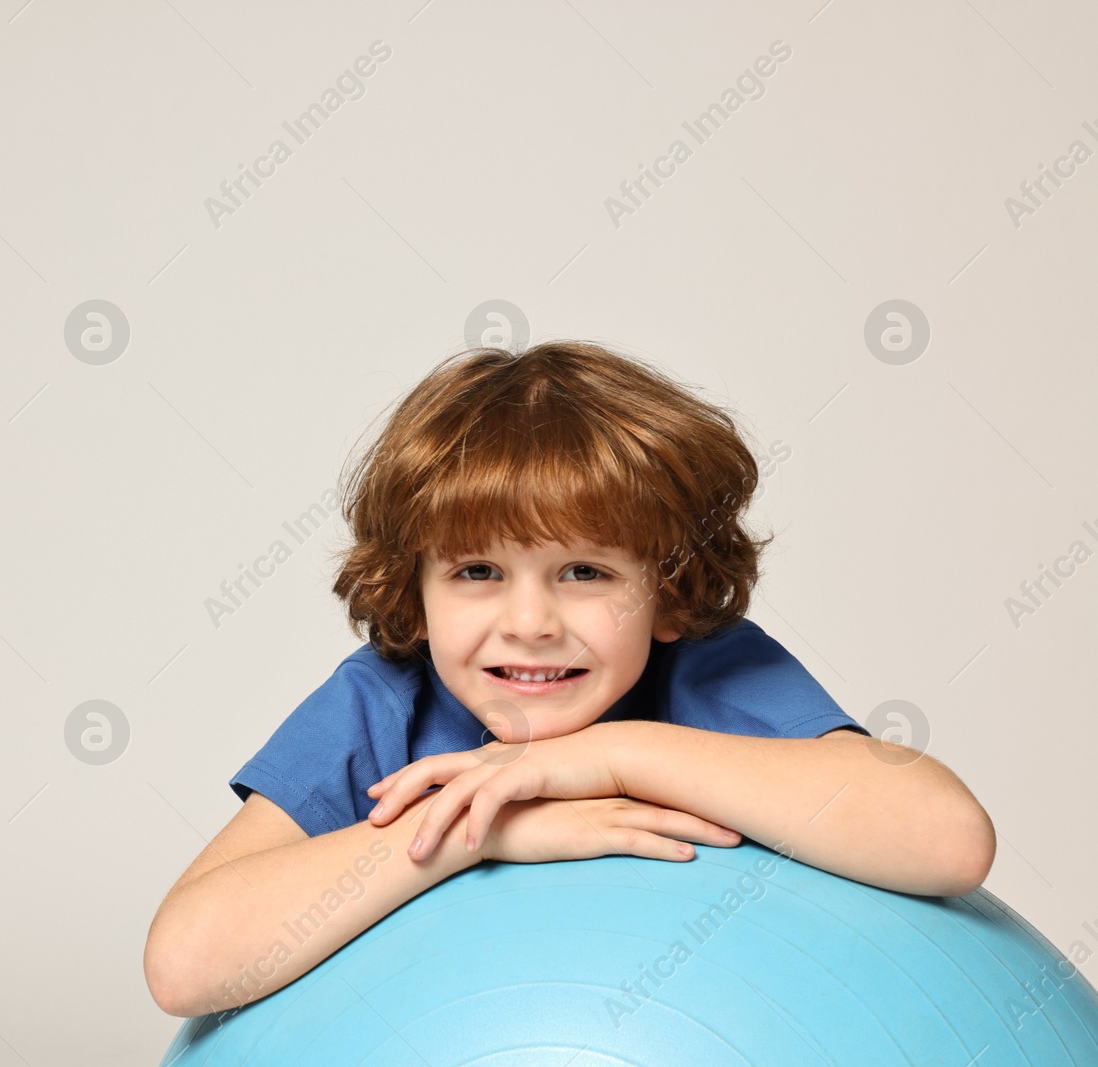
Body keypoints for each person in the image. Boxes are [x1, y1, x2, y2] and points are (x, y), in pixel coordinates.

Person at [143, 340, 995, 1020]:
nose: (530, 621)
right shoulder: (382, 701)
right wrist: (478, 834)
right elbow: (184, 964)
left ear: (668, 589)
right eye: (477, 570)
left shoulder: (712, 670)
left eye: (584, 571)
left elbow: (949, 839)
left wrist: (610, 756)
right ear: (417, 590)